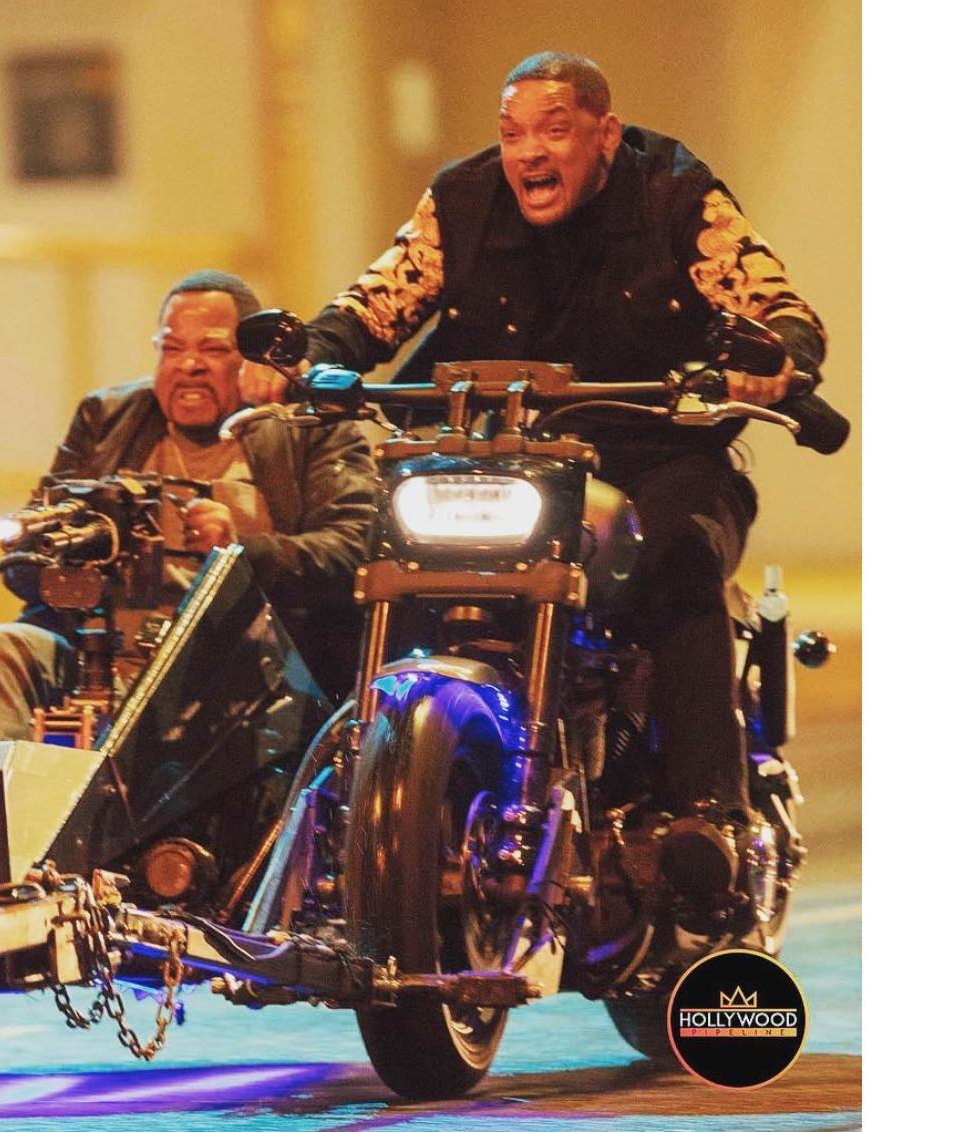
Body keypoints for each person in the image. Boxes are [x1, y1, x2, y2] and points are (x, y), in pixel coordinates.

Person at [297, 52, 828, 898]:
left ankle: (706, 815)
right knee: (373, 558)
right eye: (512, 134)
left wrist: (776, 358)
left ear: (603, 134)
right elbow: (376, 302)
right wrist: (315, 354)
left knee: (679, 560)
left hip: (657, 455)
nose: (528, 153)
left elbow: (776, 307)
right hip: (506, 460)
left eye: (552, 131)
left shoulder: (674, 194)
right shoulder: (461, 200)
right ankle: (342, 799)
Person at [0, 270, 375, 741]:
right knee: (3, 649)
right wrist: (65, 548)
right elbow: (23, 568)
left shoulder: (310, 427)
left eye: (213, 349)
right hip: (100, 657)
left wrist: (242, 551)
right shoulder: (106, 419)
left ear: (252, 360)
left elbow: (354, 552)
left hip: (240, 675)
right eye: (172, 349)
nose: (189, 365)